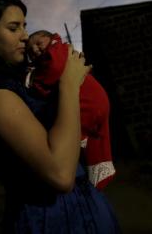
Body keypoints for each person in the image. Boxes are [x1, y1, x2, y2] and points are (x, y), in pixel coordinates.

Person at [0, 0, 121, 233]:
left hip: (85, 207)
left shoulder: (21, 82)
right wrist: (69, 83)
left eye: (24, 26)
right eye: (13, 28)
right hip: (54, 219)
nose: (24, 36)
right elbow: (60, 174)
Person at [26, 30, 115, 190]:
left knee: (77, 138)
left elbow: (55, 71)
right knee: (98, 146)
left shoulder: (58, 50)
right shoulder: (50, 56)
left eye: (38, 44)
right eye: (31, 51)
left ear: (51, 38)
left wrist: (37, 82)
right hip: (96, 103)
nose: (35, 50)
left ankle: (80, 144)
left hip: (88, 102)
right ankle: (100, 178)